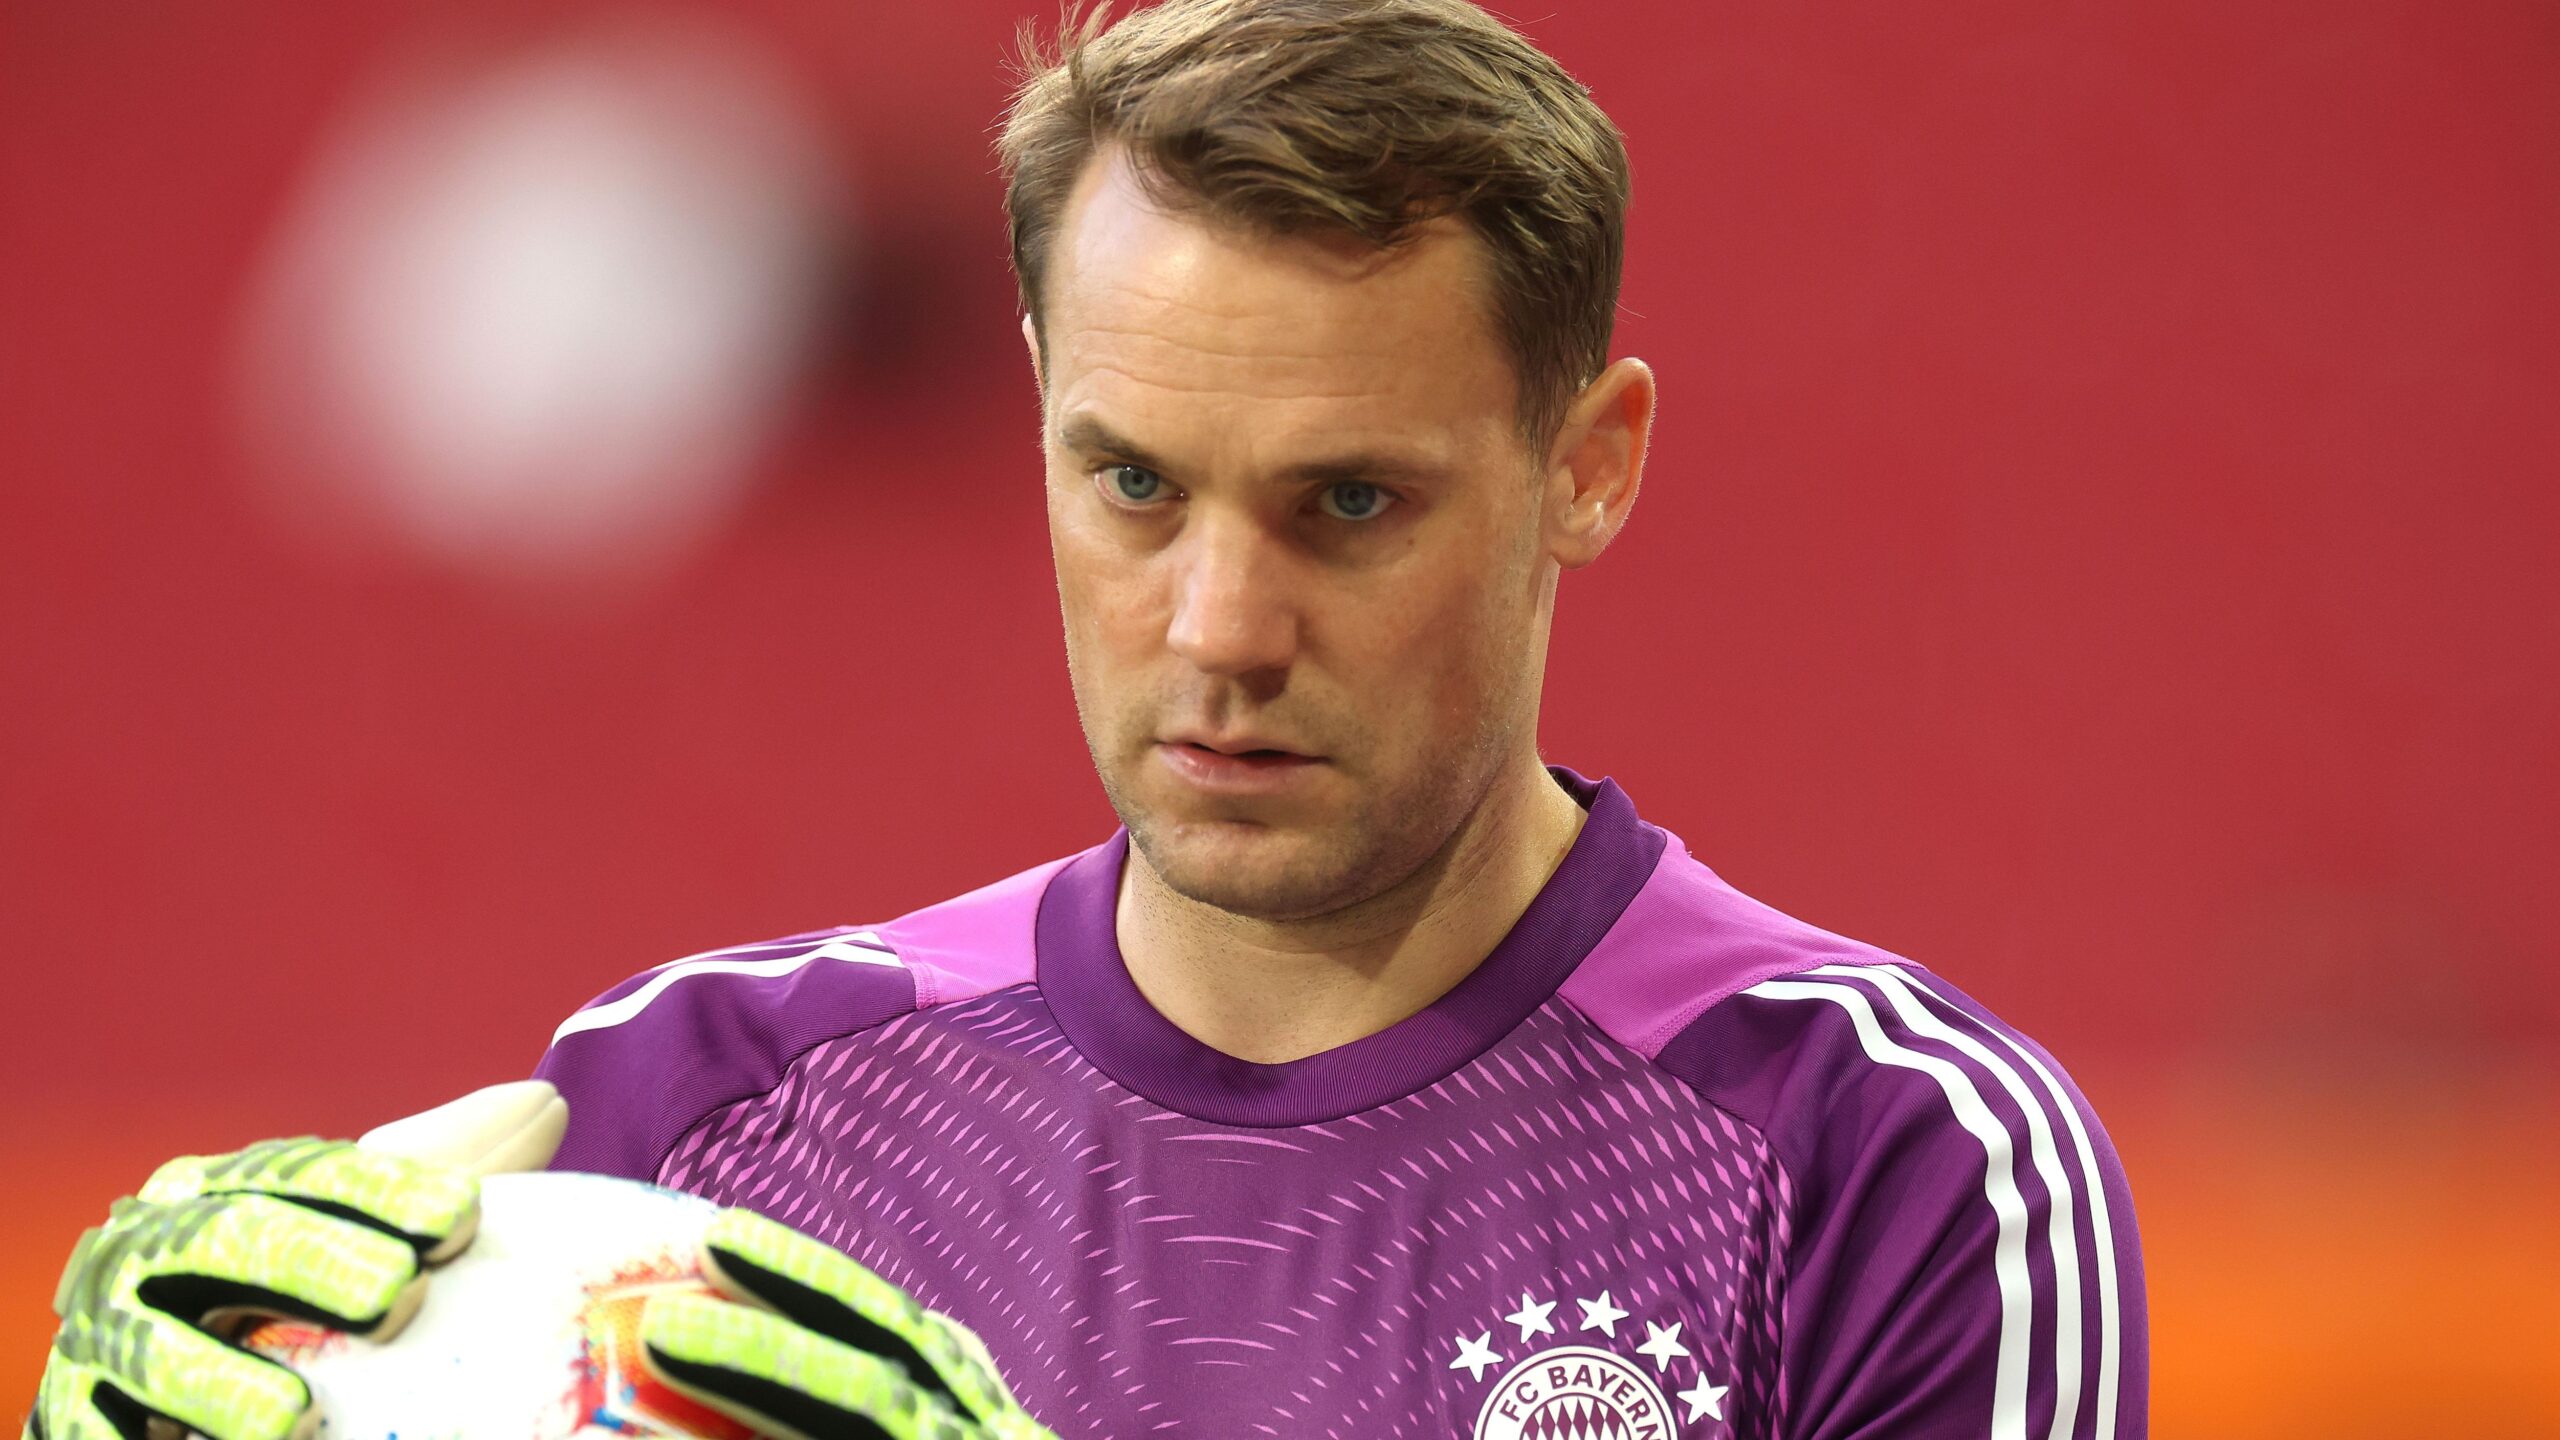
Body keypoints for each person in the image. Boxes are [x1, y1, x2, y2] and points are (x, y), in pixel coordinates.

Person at [29, 2, 2148, 1438]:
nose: (1218, 628)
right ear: (1042, 401)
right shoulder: (694, 1123)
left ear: (1586, 464)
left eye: (1347, 503)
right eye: (1130, 483)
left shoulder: (1887, 1165)